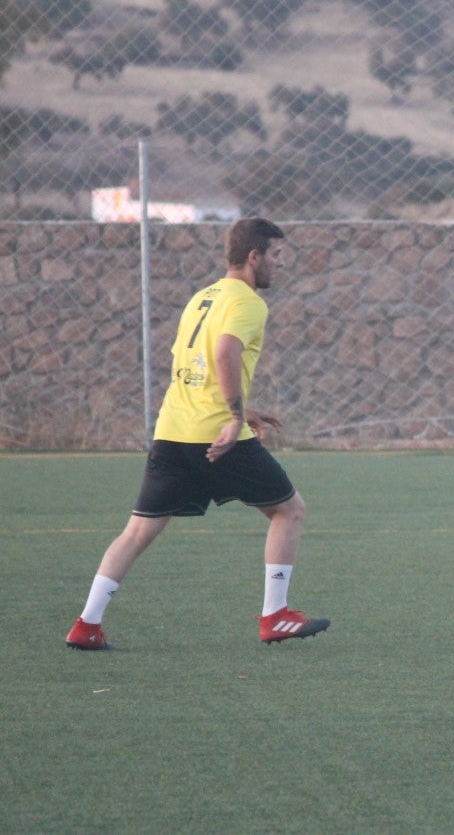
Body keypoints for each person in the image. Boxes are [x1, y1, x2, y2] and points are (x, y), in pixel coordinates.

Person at [66, 218, 329, 650]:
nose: (282, 264)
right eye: (277, 255)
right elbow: (225, 353)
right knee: (289, 511)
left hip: (173, 431)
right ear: (254, 256)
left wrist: (244, 408)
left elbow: (193, 367)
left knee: (135, 533)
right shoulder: (247, 302)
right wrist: (233, 416)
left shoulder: (201, 297)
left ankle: (87, 624)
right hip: (217, 437)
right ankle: (275, 616)